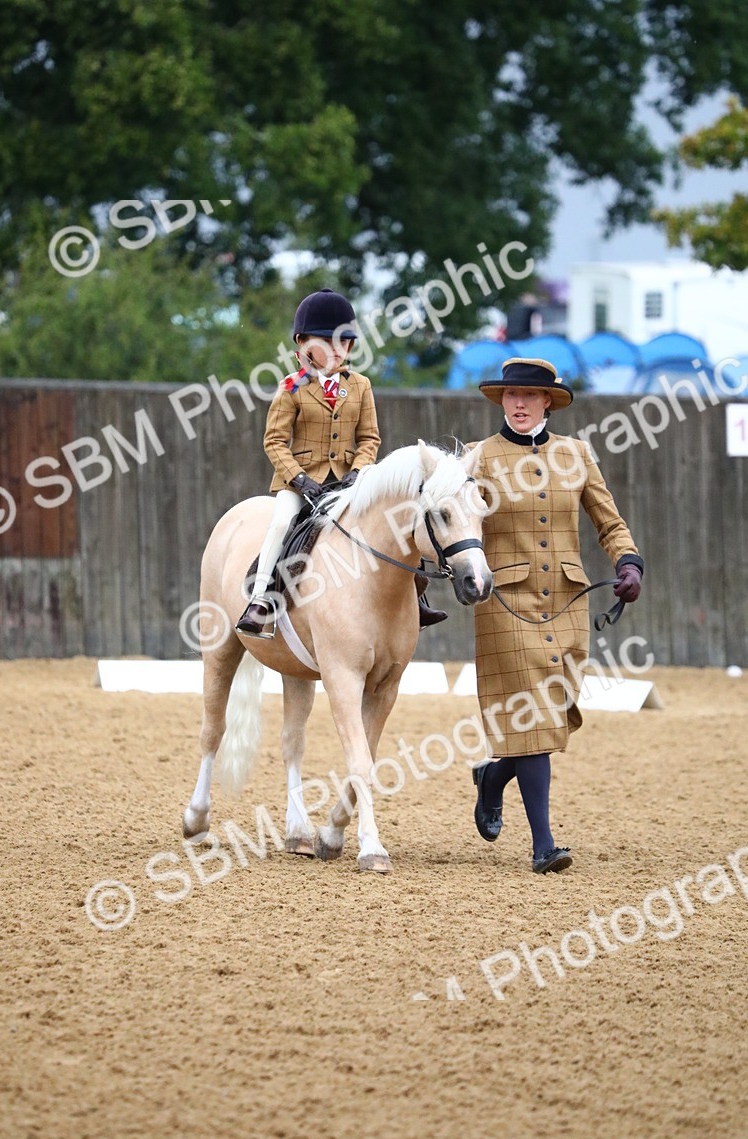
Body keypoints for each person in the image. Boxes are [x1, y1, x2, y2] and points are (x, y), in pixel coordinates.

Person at [467, 357, 644, 873]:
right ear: (501, 400)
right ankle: (543, 845)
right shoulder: (479, 459)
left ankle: (495, 776)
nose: (518, 404)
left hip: (566, 600)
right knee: (534, 713)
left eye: (529, 396)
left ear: (548, 402)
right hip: (505, 602)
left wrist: (628, 562)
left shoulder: (577, 454)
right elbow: (454, 524)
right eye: (510, 395)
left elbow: (609, 523)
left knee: (553, 711)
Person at [236, 287, 446, 637]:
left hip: (350, 482)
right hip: (303, 484)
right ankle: (260, 599)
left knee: (396, 519)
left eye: (343, 342)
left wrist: (360, 472)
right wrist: (299, 480)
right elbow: (274, 441)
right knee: (280, 523)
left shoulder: (360, 386)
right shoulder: (292, 387)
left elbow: (370, 438)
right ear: (303, 344)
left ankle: (416, 597)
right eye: (327, 341)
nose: (337, 350)